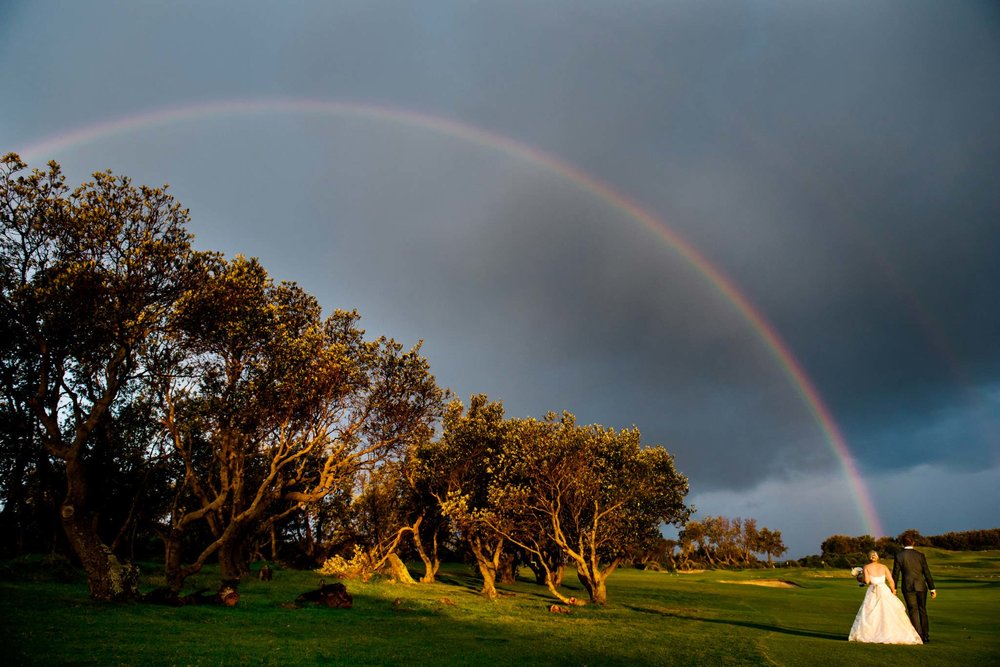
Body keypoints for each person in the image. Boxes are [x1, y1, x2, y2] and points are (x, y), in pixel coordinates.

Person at [848, 550, 922, 644]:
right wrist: (893, 591)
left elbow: (867, 581)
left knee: (872, 613)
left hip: (873, 591)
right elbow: (891, 581)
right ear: (877, 557)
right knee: (888, 612)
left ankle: (873, 634)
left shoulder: (866, 567)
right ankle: (890, 633)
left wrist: (859, 578)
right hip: (884, 590)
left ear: (869, 558)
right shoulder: (884, 567)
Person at [892, 535, 937, 642]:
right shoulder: (920, 555)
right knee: (922, 610)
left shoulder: (899, 555)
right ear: (913, 543)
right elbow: (926, 572)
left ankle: (918, 636)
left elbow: (895, 574)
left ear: (902, 544)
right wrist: (932, 588)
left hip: (907, 586)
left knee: (913, 610)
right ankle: (925, 636)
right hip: (921, 586)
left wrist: (893, 588)